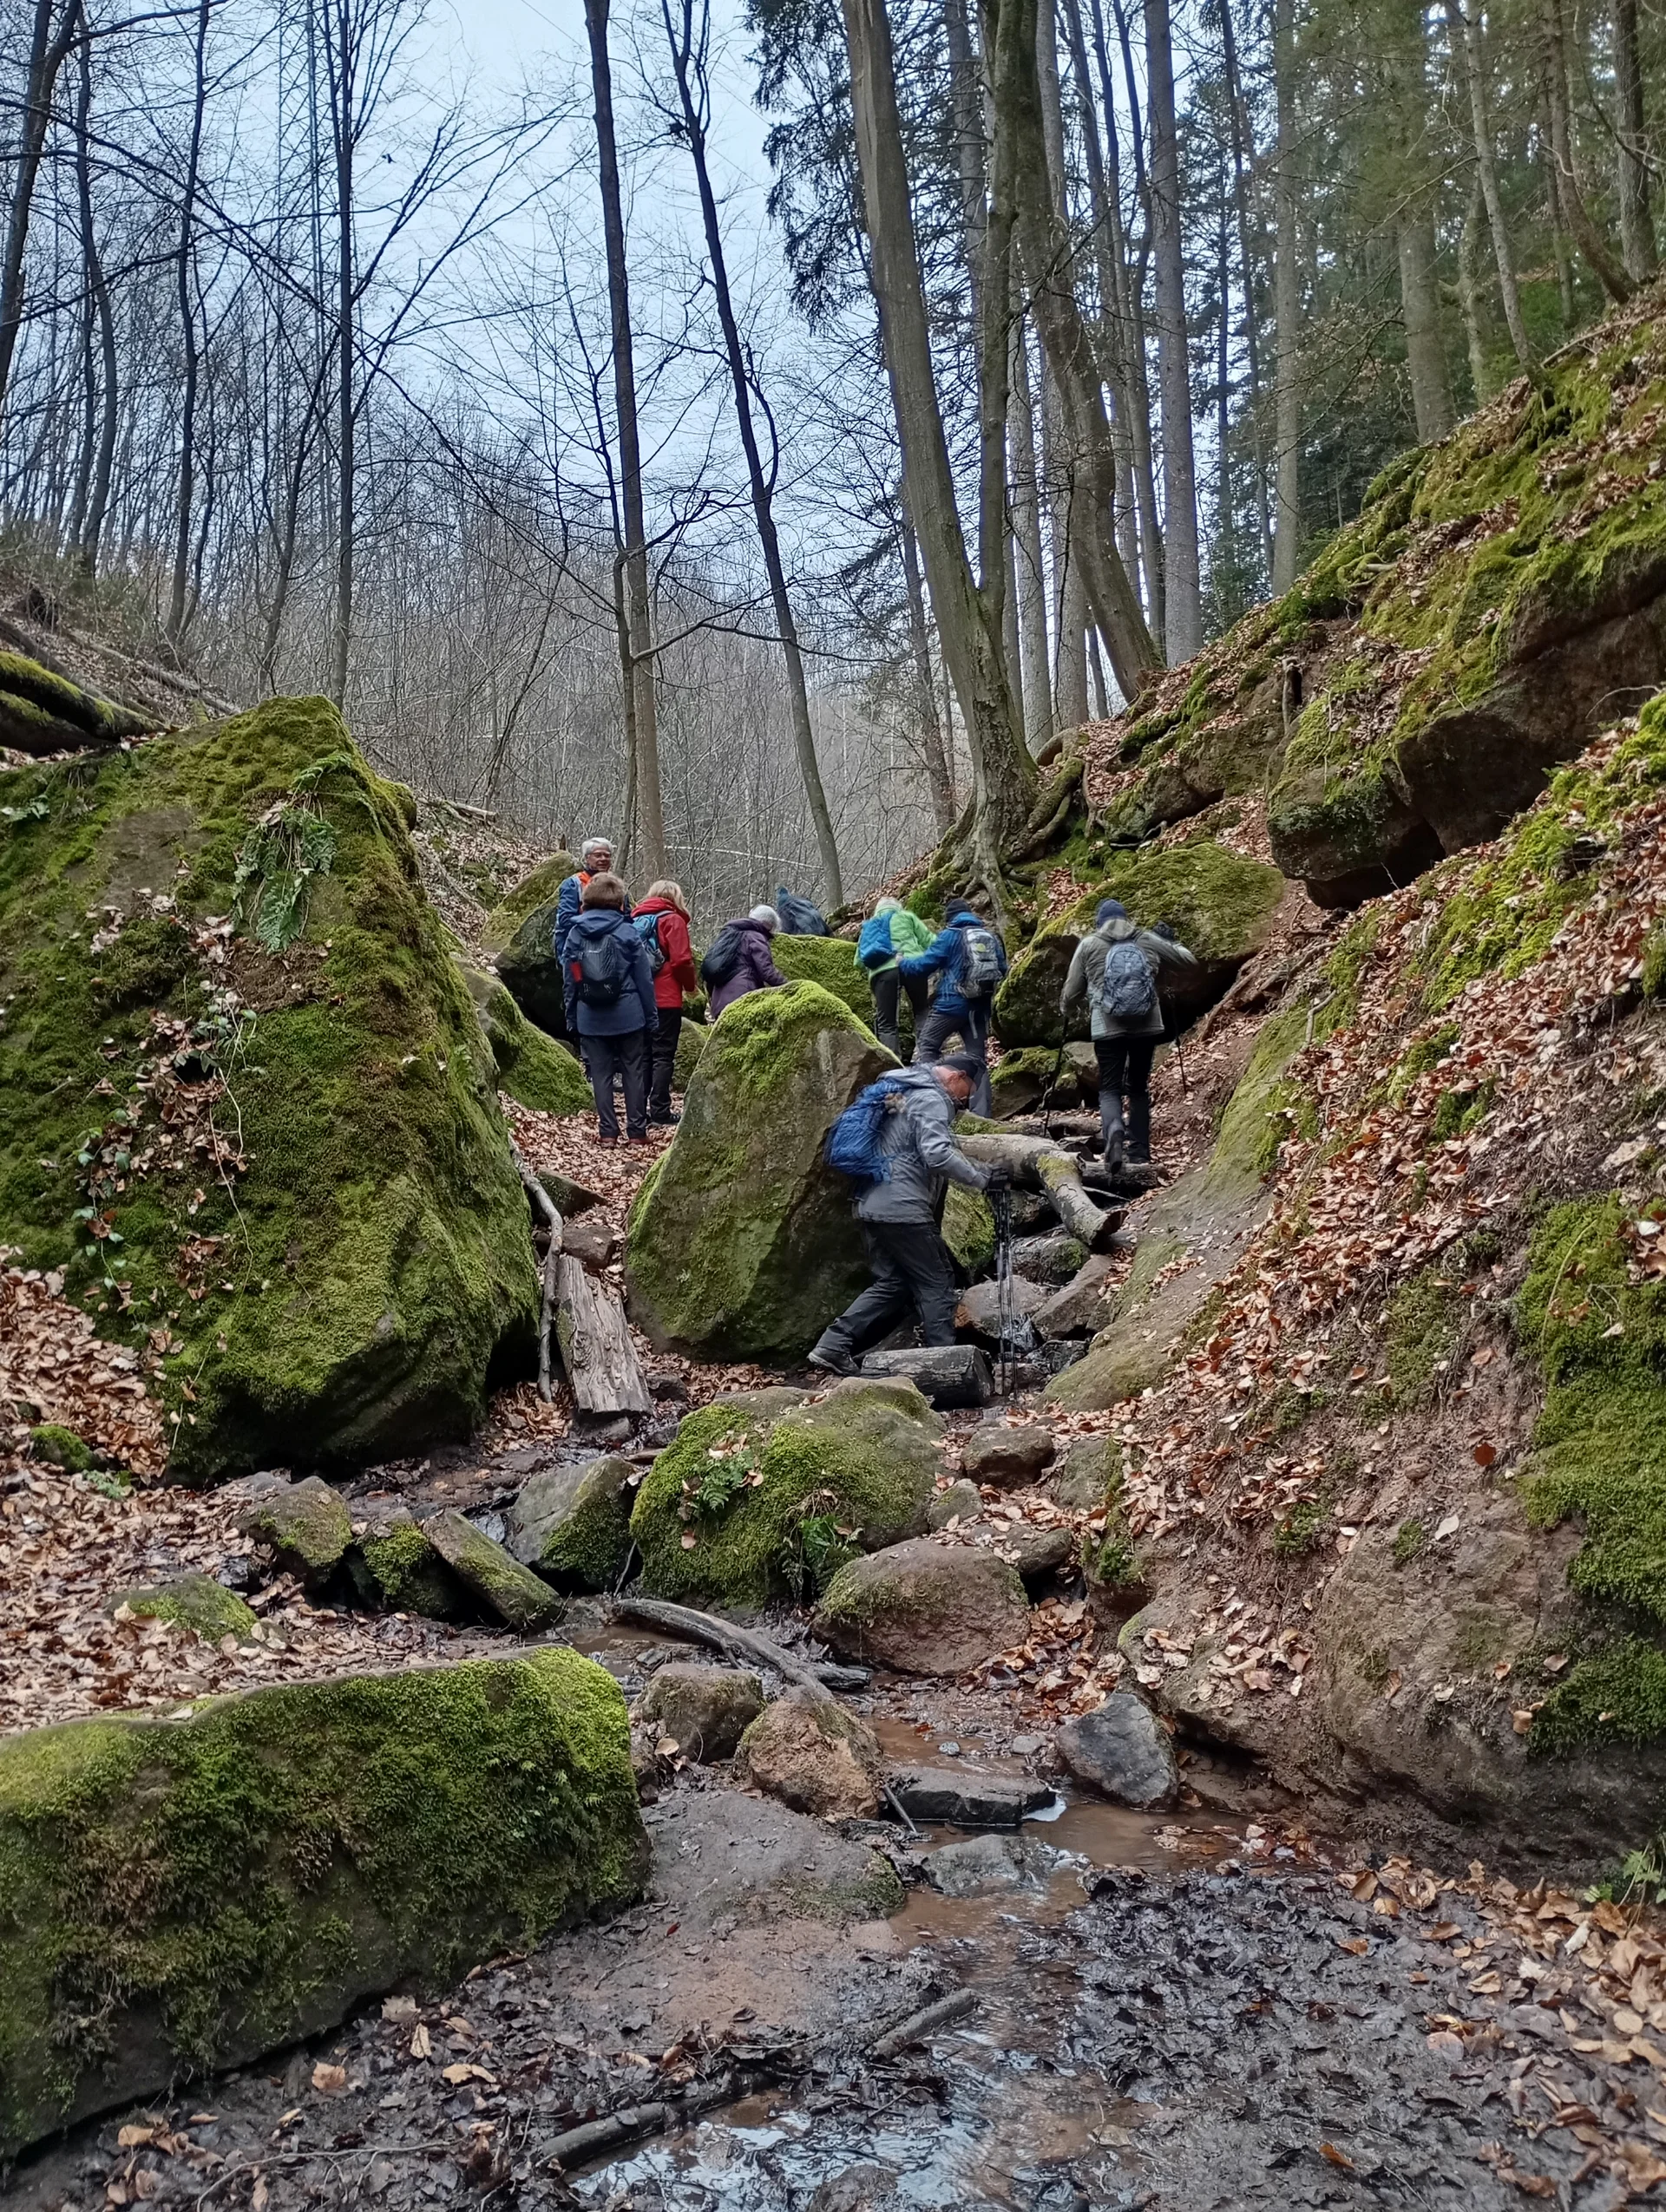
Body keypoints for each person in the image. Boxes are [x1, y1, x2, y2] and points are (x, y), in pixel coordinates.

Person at [808, 1055, 1006, 1375]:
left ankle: (833, 1344)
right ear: (956, 1077)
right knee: (937, 1281)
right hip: (902, 1207)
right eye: (968, 1089)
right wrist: (982, 1178)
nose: (967, 1100)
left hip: (870, 1202)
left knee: (894, 1282)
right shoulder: (931, 1098)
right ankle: (945, 1365)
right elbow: (937, 1153)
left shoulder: (902, 1092)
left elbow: (907, 1138)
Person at [1060, 897, 1198, 1171]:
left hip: (1107, 1028)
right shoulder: (1146, 939)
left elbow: (1072, 990)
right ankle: (1140, 1153)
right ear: (1126, 920)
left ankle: (1113, 1133)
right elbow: (1188, 961)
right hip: (1146, 1026)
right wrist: (1171, 942)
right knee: (1138, 1088)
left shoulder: (1088, 945)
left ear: (1100, 923)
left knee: (1110, 1087)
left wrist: (1066, 1008)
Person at [561, 872, 658, 1145]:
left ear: (587, 901)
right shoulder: (627, 932)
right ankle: (637, 1133)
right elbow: (644, 980)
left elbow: (571, 980)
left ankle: (608, 1134)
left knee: (600, 1074)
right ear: (619, 903)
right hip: (629, 1014)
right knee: (633, 1071)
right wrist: (651, 1018)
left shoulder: (575, 933)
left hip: (590, 1014)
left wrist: (571, 1016)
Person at [901, 903, 1008, 1116]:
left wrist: (902, 963)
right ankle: (981, 1117)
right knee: (977, 1061)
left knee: (928, 1046)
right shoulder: (987, 936)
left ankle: (932, 1105)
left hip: (950, 1006)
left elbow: (924, 965)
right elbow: (1003, 969)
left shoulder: (950, 936)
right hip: (979, 1009)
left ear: (950, 918)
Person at [632, 878, 699, 1126]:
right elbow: (682, 960)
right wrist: (690, 987)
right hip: (666, 998)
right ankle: (660, 1110)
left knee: (643, 1055)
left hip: (638, 997)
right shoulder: (673, 920)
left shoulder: (636, 920)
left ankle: (637, 1111)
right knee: (663, 1055)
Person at [856, 893, 934, 1062]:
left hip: (884, 973)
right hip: (912, 965)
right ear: (899, 906)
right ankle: (928, 1056)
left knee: (886, 1022)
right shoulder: (907, 917)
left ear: (878, 910)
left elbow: (858, 961)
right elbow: (930, 941)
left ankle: (893, 1066)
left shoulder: (870, 926)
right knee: (921, 1010)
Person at [704, 903, 788, 1017]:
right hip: (741, 997)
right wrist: (790, 986)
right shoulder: (756, 937)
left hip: (719, 1002)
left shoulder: (730, 934)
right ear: (769, 925)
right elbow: (767, 971)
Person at [554, 836, 616, 968]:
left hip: (611, 953)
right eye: (598, 855)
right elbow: (566, 920)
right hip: (577, 951)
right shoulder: (573, 884)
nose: (603, 859)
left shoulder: (615, 885)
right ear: (587, 858)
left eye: (607, 855)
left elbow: (626, 916)